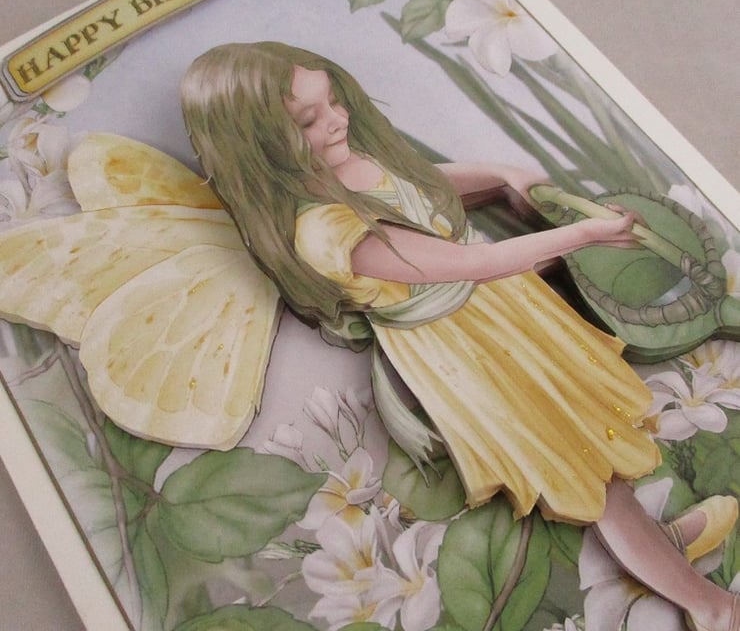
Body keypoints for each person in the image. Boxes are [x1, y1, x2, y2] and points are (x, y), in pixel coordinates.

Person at [180, 41, 738, 630]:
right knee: (586, 472)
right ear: (260, 145)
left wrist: (498, 175)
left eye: (334, 101)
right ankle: (710, 607)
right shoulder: (324, 231)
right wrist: (584, 236)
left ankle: (657, 549)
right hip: (471, 354)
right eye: (308, 121)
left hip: (506, 323)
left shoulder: (347, 167)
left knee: (598, 445)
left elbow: (422, 189)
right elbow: (472, 264)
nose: (338, 120)